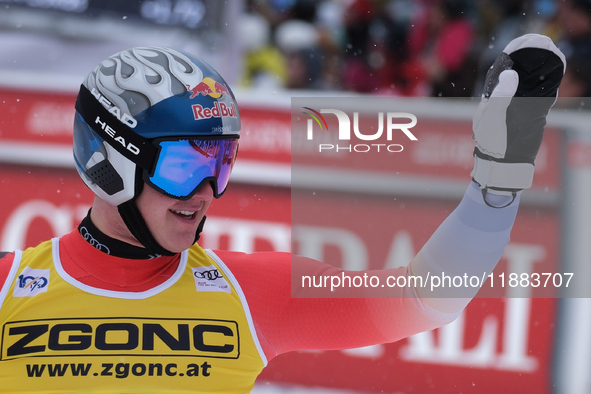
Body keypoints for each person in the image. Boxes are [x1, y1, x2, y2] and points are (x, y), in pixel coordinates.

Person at [0, 34, 565, 393]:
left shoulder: (250, 292)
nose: (204, 193)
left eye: (218, 164)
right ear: (108, 160)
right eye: (181, 166)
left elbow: (426, 299)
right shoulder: (9, 289)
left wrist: (496, 181)